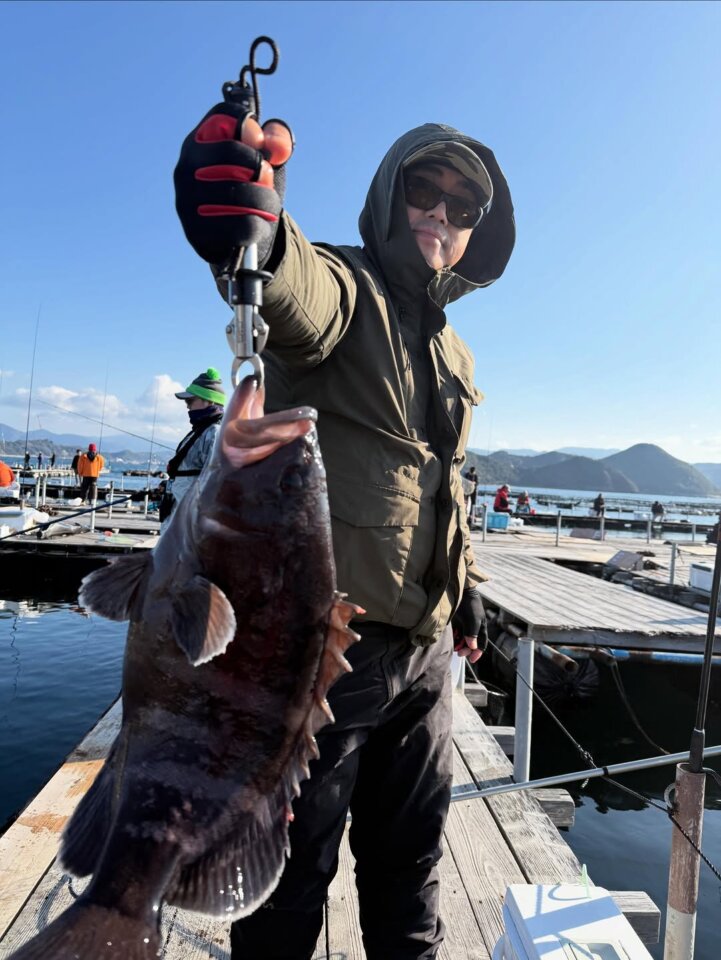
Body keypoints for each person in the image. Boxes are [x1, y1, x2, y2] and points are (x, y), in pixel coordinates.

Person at [175, 97, 515, 959]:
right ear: (389, 196)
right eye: (423, 190)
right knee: (288, 883)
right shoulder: (346, 285)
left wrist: (466, 589)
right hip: (327, 655)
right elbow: (293, 289)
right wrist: (254, 228)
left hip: (426, 661)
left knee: (411, 877)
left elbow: (442, 483)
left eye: (462, 206)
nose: (440, 214)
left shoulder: (456, 351)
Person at [159, 367, 226, 527]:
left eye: (190, 401)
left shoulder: (214, 433)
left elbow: (215, 480)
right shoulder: (199, 431)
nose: (187, 406)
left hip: (192, 521)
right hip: (179, 515)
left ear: (209, 401)